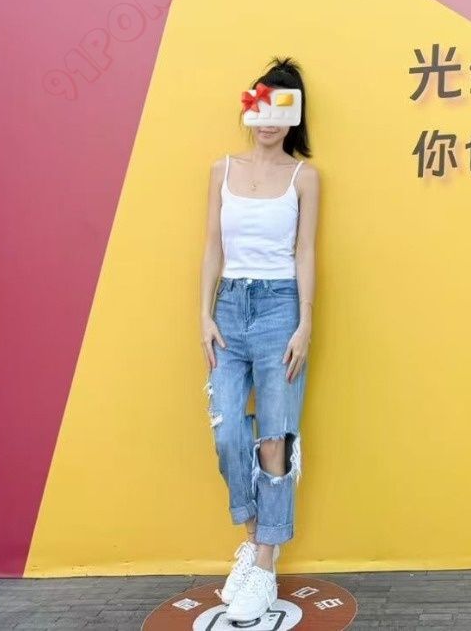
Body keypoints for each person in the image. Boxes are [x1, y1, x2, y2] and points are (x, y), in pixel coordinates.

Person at [199, 56, 320, 623]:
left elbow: (305, 251)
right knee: (228, 433)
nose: (268, 119)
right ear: (249, 108)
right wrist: (204, 316)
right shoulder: (221, 170)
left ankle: (265, 565)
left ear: (294, 117)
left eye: (281, 109)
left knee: (274, 439)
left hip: (279, 308)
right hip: (228, 308)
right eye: (261, 105)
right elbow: (212, 247)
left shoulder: (304, 177)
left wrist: (305, 322)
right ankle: (253, 537)